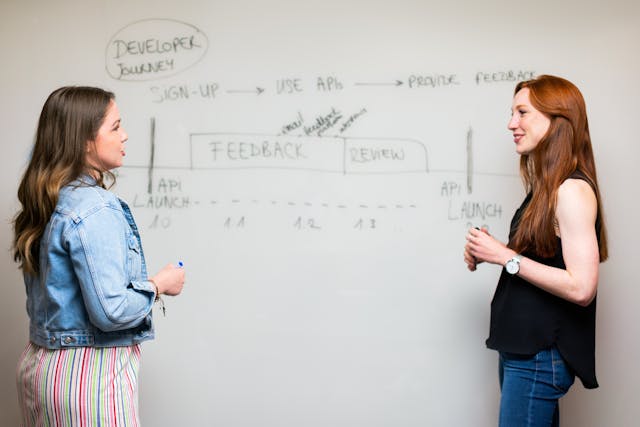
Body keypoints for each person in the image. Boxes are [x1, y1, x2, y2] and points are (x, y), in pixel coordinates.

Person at [12, 86, 185, 426]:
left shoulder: (49, 198)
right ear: (85, 140)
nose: (125, 135)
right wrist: (159, 285)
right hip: (88, 378)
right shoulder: (95, 207)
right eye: (115, 127)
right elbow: (112, 311)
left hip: (40, 369)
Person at [464, 75, 608, 426]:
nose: (512, 123)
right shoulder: (547, 189)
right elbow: (541, 260)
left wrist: (504, 256)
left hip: (539, 356)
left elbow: (582, 287)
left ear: (557, 119)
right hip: (525, 352)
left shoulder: (571, 191)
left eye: (522, 112)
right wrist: (490, 252)